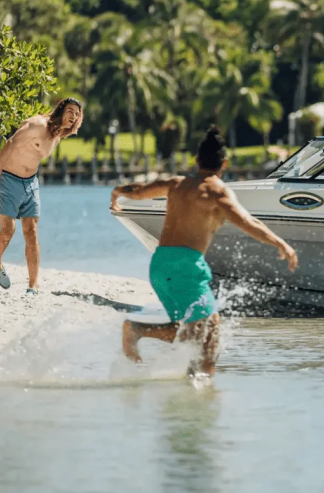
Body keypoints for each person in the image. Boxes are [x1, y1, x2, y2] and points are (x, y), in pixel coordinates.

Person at [110, 127, 298, 377]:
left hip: (160, 265)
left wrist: (118, 192)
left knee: (199, 331)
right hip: (186, 267)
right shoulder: (217, 192)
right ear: (224, 164)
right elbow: (248, 222)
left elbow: (140, 191)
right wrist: (280, 243)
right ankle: (138, 331)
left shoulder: (176, 184)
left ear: (197, 161)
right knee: (207, 329)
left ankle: (194, 385)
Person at [0, 98, 84, 294]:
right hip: (8, 180)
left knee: (31, 232)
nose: (73, 116)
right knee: (7, 233)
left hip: (31, 183)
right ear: (61, 111)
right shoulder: (38, 124)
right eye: (70, 111)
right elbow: (11, 143)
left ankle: (33, 286)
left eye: (77, 114)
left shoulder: (57, 135)